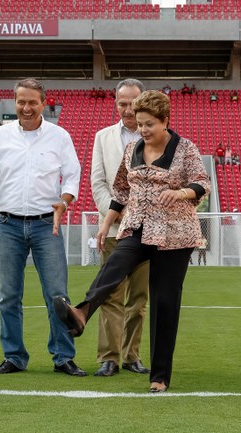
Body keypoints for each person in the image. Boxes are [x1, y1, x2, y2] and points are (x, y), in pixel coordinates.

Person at [53, 90, 210, 393]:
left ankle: (160, 376)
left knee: (164, 302)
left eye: (149, 124)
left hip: (174, 233)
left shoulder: (185, 148)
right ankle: (82, 313)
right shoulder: (132, 149)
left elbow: (202, 183)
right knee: (115, 265)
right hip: (137, 226)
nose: (143, 130)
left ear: (165, 120)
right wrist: (105, 224)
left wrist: (180, 193)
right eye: (140, 124)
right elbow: (121, 192)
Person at [0, 78, 86, 377]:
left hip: (45, 225)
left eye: (31, 102)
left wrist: (64, 200)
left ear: (43, 103)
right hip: (8, 224)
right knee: (8, 296)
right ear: (15, 102)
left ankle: (63, 357)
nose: (25, 107)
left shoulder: (60, 137)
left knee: (57, 295)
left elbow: (73, 176)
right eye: (21, 101)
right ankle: (14, 356)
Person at [89, 78, 151, 378]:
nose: (127, 109)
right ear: (116, 104)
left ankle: (131, 356)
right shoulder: (102, 137)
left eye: (132, 103)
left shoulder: (155, 135)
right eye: (122, 103)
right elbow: (98, 182)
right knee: (110, 295)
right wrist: (115, 215)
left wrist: (138, 214)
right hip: (114, 230)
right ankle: (109, 357)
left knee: (138, 298)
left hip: (148, 231)